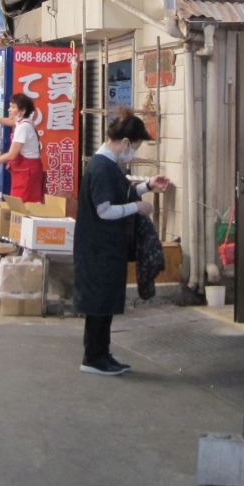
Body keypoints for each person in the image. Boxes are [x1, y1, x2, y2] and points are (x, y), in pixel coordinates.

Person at [73, 110, 171, 376]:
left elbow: (121, 193)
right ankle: (93, 358)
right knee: (99, 305)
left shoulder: (107, 165)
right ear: (126, 142)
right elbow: (105, 210)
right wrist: (136, 207)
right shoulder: (102, 167)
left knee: (104, 304)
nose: (133, 153)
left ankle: (101, 354)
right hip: (98, 248)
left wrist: (147, 185)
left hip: (104, 248)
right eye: (135, 147)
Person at [0, 94, 45, 203]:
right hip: (27, 170)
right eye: (10, 106)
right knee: (21, 204)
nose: (9, 110)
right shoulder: (24, 121)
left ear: (22, 111)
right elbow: (11, 121)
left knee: (22, 205)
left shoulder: (23, 127)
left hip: (27, 172)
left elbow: (12, 155)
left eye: (13, 107)